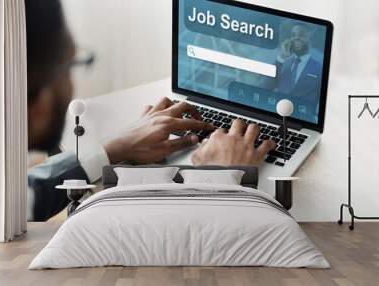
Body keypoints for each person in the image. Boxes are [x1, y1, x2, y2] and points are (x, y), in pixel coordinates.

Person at [26, 0, 276, 221]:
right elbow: (166, 254)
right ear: (40, 103)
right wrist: (218, 180)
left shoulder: (1, 210)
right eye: (74, 63)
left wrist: (111, 148)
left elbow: (32, 191)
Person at [264, 24, 323, 103]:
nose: (296, 37)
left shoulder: (319, 68)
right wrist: (282, 57)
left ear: (310, 39)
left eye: (301, 35)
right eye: (293, 35)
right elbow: (265, 87)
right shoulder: (282, 62)